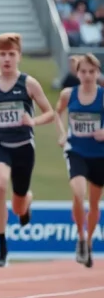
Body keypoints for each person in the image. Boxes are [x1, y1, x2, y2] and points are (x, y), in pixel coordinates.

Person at [0, 33, 56, 268]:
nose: (6, 59)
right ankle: (2, 248)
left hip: (23, 148)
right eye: (2, 54)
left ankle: (26, 201)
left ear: (18, 56)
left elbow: (50, 112)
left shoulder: (28, 84)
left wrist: (34, 121)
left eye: (11, 54)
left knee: (18, 205)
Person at [55, 53, 104, 268]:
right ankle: (80, 236)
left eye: (91, 72)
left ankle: (89, 241)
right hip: (76, 151)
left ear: (97, 73)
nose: (87, 76)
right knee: (78, 192)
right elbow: (57, 113)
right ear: (77, 73)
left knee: (94, 204)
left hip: (99, 155)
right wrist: (62, 133)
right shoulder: (68, 94)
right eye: (83, 71)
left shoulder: (103, 96)